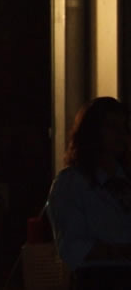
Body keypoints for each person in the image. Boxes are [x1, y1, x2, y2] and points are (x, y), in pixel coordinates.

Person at [47, 97, 131, 289]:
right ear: (93, 132)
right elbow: (72, 246)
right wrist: (120, 251)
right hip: (98, 280)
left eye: (124, 127)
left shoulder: (126, 181)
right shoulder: (72, 183)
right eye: (111, 126)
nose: (120, 134)